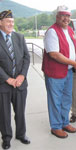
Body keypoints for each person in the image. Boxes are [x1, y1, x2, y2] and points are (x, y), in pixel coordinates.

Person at [42, 5, 76, 139]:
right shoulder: (52, 32)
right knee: (55, 100)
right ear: (57, 17)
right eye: (63, 15)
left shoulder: (69, 30)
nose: (66, 18)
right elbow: (54, 54)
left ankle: (64, 122)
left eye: (68, 16)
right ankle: (56, 127)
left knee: (66, 99)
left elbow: (69, 46)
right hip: (55, 73)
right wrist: (74, 63)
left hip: (67, 72)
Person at [0, 10, 30, 149]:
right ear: (0, 22)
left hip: (20, 83)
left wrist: (22, 76)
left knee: (20, 111)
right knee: (4, 114)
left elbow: (26, 57)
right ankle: (6, 138)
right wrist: (7, 79)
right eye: (8, 21)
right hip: (3, 84)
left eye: (12, 21)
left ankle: (21, 134)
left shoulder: (19, 37)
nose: (11, 24)